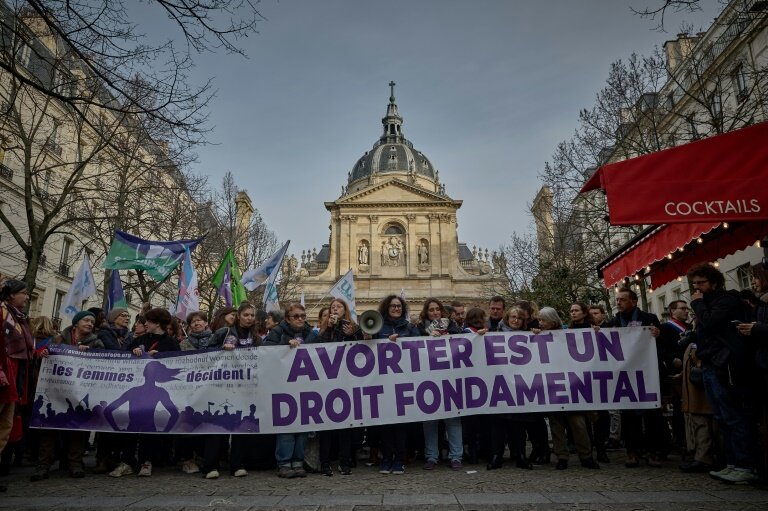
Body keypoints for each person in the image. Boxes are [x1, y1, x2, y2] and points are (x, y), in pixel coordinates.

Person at [688, 263, 758, 484]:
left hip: (725, 365)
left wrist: (698, 304)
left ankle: (745, 465)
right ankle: (732, 463)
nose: (697, 288)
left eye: (701, 283)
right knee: (722, 418)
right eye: (694, 284)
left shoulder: (725, 300)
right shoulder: (707, 302)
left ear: (714, 281)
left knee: (733, 416)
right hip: (710, 363)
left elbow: (710, 323)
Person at [32, 310, 102, 482]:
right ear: (76, 322)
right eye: (86, 320)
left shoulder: (96, 343)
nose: (90, 324)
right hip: (55, 392)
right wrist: (43, 356)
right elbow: (40, 360)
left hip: (79, 394)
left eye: (92, 322)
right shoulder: (57, 339)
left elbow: (102, 364)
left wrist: (89, 355)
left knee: (76, 429)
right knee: (50, 429)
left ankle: (75, 464)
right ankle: (43, 466)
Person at [605, 287, 663, 468]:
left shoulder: (649, 319)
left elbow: (661, 344)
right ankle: (633, 452)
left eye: (622, 299)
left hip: (647, 373)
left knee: (652, 415)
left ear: (634, 301)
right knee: (629, 415)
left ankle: (653, 452)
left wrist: (658, 335)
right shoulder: (613, 322)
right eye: (617, 299)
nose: (618, 302)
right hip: (625, 375)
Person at [537, 307, 599, 471]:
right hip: (551, 385)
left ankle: (586, 456)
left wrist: (595, 332)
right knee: (556, 425)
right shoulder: (538, 336)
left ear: (552, 320)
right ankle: (562, 456)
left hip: (571, 385)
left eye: (543, 320)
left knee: (578, 423)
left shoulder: (568, 332)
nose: (540, 323)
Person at [208, 302, 264, 478]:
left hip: (244, 387)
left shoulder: (256, 338)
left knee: (241, 425)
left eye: (252, 315)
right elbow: (206, 353)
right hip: (221, 385)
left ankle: (237, 464)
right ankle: (211, 466)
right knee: (218, 426)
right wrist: (221, 350)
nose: (249, 318)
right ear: (238, 316)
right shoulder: (223, 332)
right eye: (246, 315)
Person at [125, 307, 180, 477]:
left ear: (157, 323)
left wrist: (162, 356)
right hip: (136, 388)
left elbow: (177, 363)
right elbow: (123, 359)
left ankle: (147, 461)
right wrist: (133, 353)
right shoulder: (139, 340)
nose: (145, 324)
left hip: (157, 390)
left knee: (149, 426)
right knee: (131, 425)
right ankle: (127, 461)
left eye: (148, 321)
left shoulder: (170, 343)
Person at [264, 303, 317, 478]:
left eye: (303, 315)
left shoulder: (310, 333)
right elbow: (266, 350)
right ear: (287, 318)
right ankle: (284, 463)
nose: (300, 319)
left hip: (305, 386)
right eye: (296, 316)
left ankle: (298, 461)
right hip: (283, 386)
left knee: (302, 427)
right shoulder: (278, 332)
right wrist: (284, 345)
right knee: (286, 425)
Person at [373, 295, 419, 475]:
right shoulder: (378, 326)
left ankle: (399, 459)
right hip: (382, 380)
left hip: (402, 381)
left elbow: (419, 348)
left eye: (399, 306)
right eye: (392, 306)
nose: (396, 308)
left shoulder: (409, 328)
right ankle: (386, 459)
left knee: (400, 425)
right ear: (386, 307)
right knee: (385, 424)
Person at [416, 299, 464, 471]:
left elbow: (464, 345)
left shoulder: (453, 328)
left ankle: (456, 456)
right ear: (426, 313)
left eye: (437, 309)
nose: (435, 312)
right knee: (430, 421)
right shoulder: (421, 329)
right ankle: (431, 456)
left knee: (453, 420)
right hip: (428, 380)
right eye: (431, 310)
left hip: (450, 379)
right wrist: (427, 338)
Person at [316, 298, 361, 476]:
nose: (335, 309)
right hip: (328, 382)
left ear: (345, 310)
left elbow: (361, 350)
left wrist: (351, 334)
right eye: (332, 307)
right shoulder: (326, 329)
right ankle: (325, 462)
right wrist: (327, 328)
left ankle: (345, 460)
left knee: (345, 426)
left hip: (347, 381)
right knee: (326, 425)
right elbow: (319, 348)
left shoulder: (353, 327)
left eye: (339, 306)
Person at [0, 280, 34, 492]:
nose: (27, 297)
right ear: (11, 295)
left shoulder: (19, 317)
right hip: (4, 374)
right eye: (23, 293)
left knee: (5, 427)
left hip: (14, 376)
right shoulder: (3, 314)